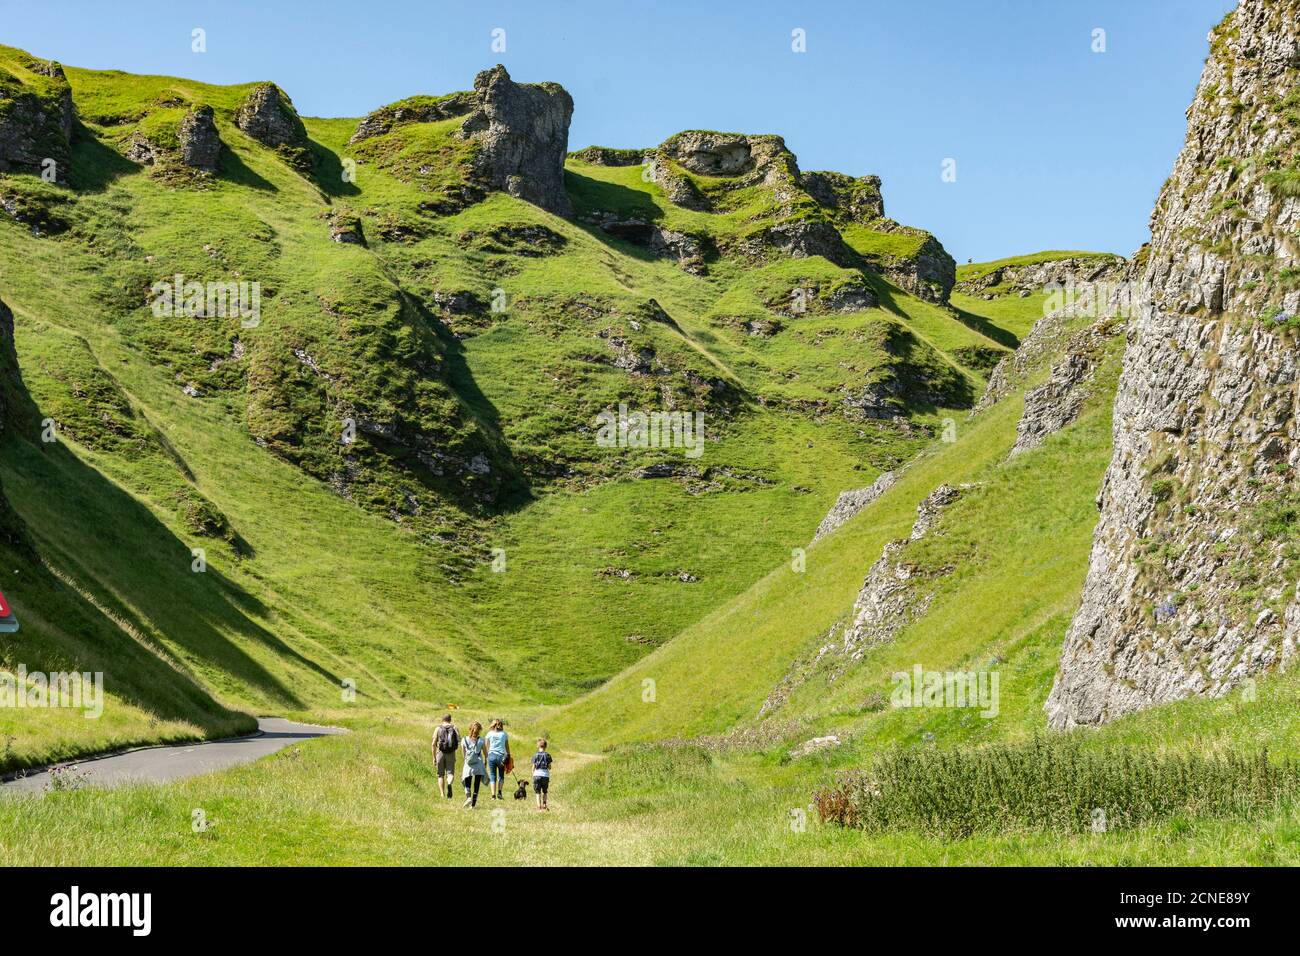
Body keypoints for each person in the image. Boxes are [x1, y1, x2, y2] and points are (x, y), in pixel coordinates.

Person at [461, 721, 488, 808]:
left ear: (470, 729)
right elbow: (485, 754)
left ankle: (468, 797)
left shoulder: (464, 740)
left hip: (468, 765)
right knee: (476, 785)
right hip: (478, 765)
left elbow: (464, 755)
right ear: (479, 730)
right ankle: (473, 805)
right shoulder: (481, 740)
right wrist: (485, 762)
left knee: (467, 782)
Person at [432, 714, 459, 798]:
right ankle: (449, 784)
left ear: (442, 719)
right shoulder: (455, 728)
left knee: (440, 775)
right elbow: (459, 740)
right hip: (451, 753)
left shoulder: (438, 728)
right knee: (450, 773)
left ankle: (442, 794)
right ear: (450, 720)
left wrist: (434, 757)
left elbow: (433, 744)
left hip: (440, 753)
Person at [485, 718, 511, 800]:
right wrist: (508, 756)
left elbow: (486, 746)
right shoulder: (504, 734)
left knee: (492, 775)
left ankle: (493, 796)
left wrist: (487, 755)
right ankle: (499, 792)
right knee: (501, 776)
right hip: (501, 757)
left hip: (491, 756)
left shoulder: (489, 734)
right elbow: (507, 747)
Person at [531, 738, 553, 811]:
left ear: (538, 746)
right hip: (545, 775)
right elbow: (549, 767)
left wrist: (533, 774)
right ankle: (544, 804)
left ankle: (539, 807)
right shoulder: (548, 755)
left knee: (537, 792)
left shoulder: (535, 755)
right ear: (546, 746)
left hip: (537, 775)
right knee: (545, 791)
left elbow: (533, 767)